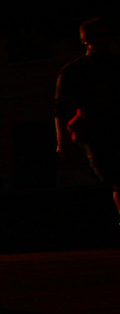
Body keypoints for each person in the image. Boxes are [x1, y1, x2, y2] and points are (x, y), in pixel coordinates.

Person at [56, 17, 120, 217]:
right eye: (99, 36)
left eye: (107, 35)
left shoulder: (115, 64)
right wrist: (62, 141)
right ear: (86, 40)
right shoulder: (75, 71)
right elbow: (61, 109)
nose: (104, 40)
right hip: (99, 132)